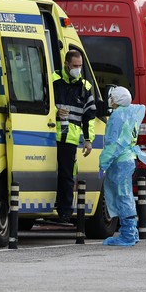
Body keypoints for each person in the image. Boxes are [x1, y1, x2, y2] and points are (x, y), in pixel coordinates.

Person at [99, 86, 146, 246]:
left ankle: (128, 234)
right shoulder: (131, 113)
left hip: (120, 161)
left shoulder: (118, 116)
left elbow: (114, 143)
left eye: (112, 97)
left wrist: (103, 162)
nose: (110, 100)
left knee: (123, 196)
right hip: (128, 159)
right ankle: (130, 233)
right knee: (125, 195)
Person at [53, 49, 96, 224]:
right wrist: (56, 111)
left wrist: (88, 140)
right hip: (50, 135)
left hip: (70, 138)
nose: (77, 69)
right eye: (74, 66)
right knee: (52, 174)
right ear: (66, 64)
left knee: (67, 176)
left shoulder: (85, 87)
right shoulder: (53, 80)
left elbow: (90, 117)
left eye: (80, 66)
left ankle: (64, 212)